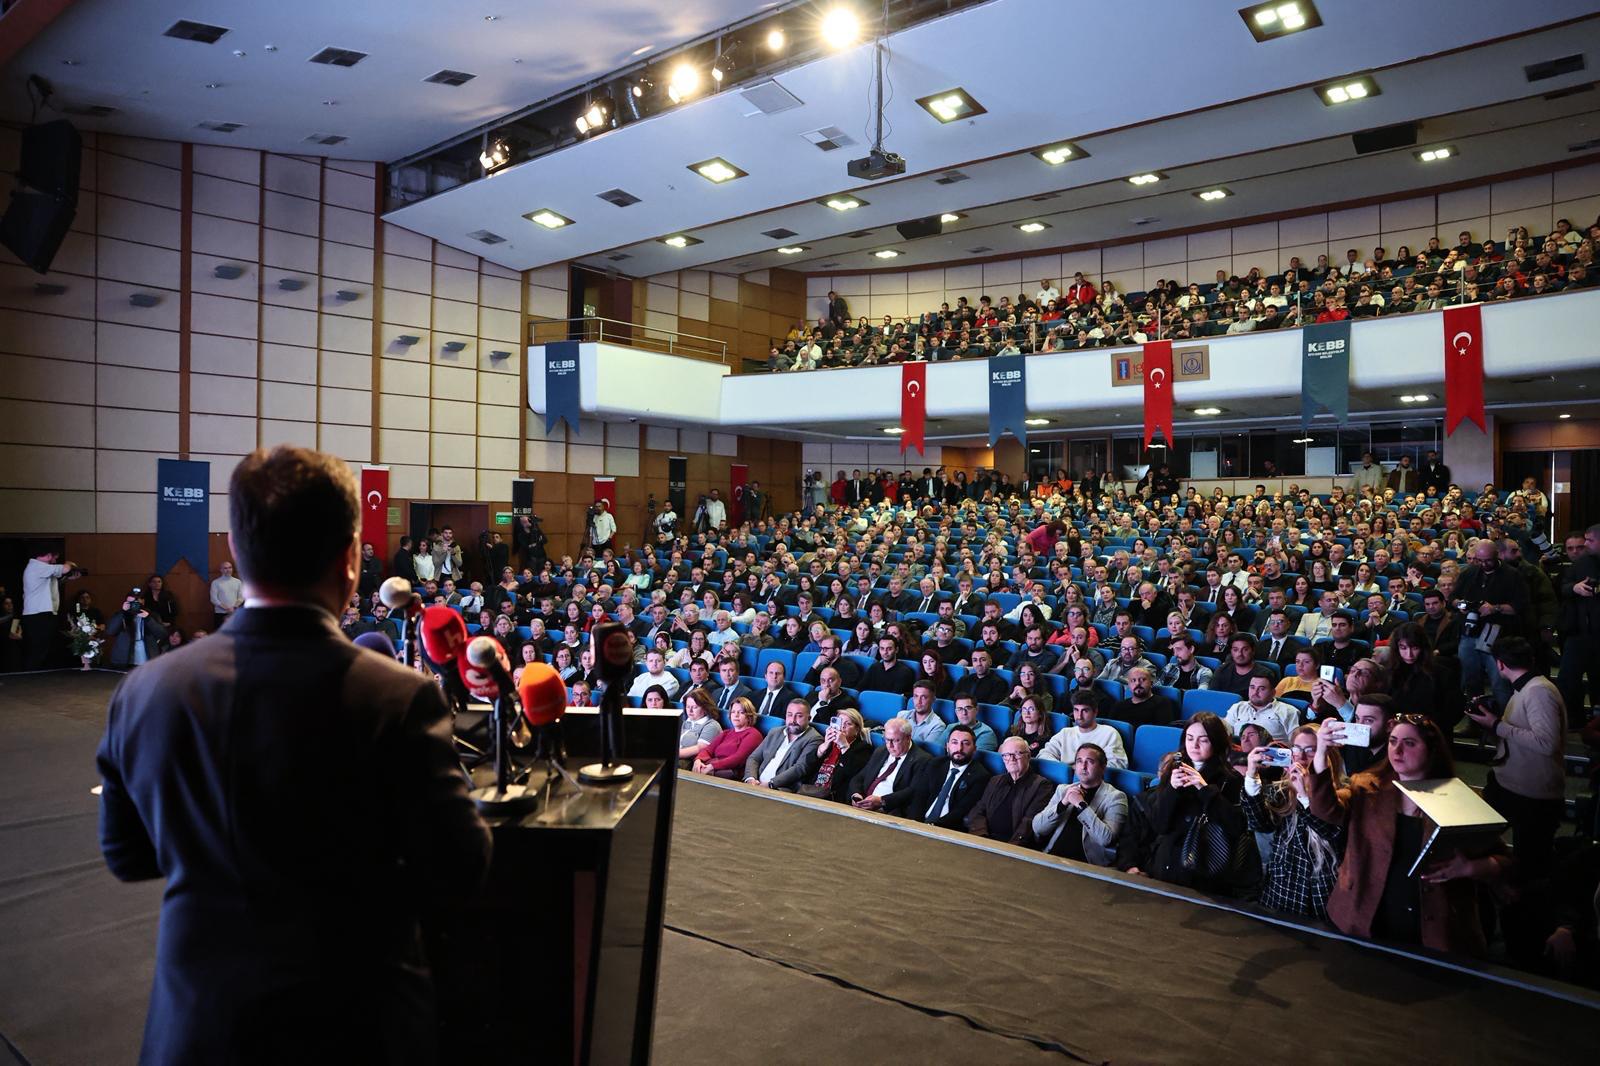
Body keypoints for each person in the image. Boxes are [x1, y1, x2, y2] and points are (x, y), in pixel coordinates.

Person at [95, 445, 492, 1063]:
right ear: (351, 558)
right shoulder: (398, 697)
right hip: (361, 1025)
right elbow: (459, 865)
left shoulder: (146, 691)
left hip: (200, 1027)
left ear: (236, 549)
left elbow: (127, 854)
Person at [1310, 713, 1508, 954]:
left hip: (1433, 928)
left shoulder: (1461, 800)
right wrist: (1321, 752)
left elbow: (1504, 861)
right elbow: (1325, 809)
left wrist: (1470, 868)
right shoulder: (1366, 787)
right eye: (1393, 741)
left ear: (1432, 750)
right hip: (1367, 916)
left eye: (1410, 743)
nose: (1397, 750)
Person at [1465, 636, 1567, 876]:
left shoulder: (1538, 691)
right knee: (1479, 840)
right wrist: (1490, 724)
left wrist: (1497, 724)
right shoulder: (1527, 688)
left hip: (1532, 795)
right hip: (1510, 783)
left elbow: (1547, 743)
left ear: (1500, 664)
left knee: (1531, 864)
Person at [1123, 713, 1255, 897]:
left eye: (1203, 740)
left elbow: (1236, 826)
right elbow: (1159, 824)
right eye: (1190, 738)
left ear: (1216, 742)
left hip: (1206, 866)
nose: (1194, 745)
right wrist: (1171, 790)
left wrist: (1205, 789)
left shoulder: (1230, 779)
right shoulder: (1174, 770)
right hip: (1168, 864)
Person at [1242, 727, 1346, 919]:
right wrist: (1251, 775)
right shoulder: (1281, 790)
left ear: (1327, 756)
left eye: (1311, 750)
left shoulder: (1343, 793)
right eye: (1296, 749)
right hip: (1282, 888)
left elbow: (1333, 834)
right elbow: (1260, 823)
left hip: (1321, 893)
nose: (1301, 757)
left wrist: (1305, 795)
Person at [1031, 743, 1129, 866]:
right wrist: (1062, 804)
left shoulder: (1116, 797)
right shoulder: (1063, 790)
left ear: (1103, 767)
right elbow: (1038, 828)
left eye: (1090, 761)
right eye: (1079, 761)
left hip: (1087, 864)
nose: (1083, 766)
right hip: (1052, 857)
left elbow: (1106, 839)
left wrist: (1081, 805)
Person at [895, 723, 993, 828]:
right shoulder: (935, 764)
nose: (959, 748)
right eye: (954, 742)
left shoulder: (980, 776)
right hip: (919, 823)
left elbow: (961, 811)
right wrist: (914, 823)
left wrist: (933, 827)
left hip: (947, 828)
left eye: (966, 744)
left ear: (974, 749)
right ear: (947, 746)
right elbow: (919, 797)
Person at [965, 736, 1052, 845]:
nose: (1011, 759)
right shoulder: (995, 781)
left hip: (1013, 846)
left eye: (1017, 754)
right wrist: (981, 838)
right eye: (1006, 755)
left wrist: (1009, 848)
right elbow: (978, 810)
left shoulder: (1041, 785)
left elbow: (1029, 823)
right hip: (984, 840)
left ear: (1028, 756)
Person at [1556, 523, 1600, 728]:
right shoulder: (1581, 564)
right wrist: (1575, 587)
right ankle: (1574, 719)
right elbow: (1564, 586)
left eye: (1589, 541)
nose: (1585, 545)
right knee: (1567, 679)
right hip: (1578, 632)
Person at [849, 717, 929, 810]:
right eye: (887, 739)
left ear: (908, 738)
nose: (890, 745)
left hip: (890, 811)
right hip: (862, 805)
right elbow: (860, 777)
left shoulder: (922, 760)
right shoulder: (881, 751)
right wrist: (856, 794)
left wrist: (882, 801)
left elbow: (912, 792)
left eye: (895, 740)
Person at [743, 699, 823, 791]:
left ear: (809, 718)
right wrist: (751, 778)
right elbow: (754, 758)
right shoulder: (775, 732)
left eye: (799, 716)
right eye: (790, 715)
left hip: (781, 789)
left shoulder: (814, 739)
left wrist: (771, 784)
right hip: (756, 784)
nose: (793, 720)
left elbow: (800, 768)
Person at [21, 547, 79, 669]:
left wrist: (67, 578)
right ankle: (31, 675)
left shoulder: (41, 569)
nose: (54, 561)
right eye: (54, 558)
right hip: (38, 614)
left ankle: (37, 673)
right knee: (38, 649)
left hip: (40, 613)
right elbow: (66, 568)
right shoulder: (37, 566)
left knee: (43, 648)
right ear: (48, 555)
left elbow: (49, 585)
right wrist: (70, 564)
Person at [1041, 689, 1129, 769]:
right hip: (1064, 779)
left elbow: (1118, 765)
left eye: (1085, 711)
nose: (1079, 716)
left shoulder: (1109, 733)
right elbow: (1044, 755)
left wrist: (1081, 769)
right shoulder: (1065, 733)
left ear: (1095, 712)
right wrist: (1066, 769)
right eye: (1076, 710)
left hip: (1095, 779)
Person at [799, 708, 872, 803]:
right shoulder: (829, 742)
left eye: (848, 724)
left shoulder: (863, 748)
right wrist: (824, 746)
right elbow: (807, 765)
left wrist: (844, 746)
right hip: (811, 790)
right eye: (840, 722)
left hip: (834, 797)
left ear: (857, 730)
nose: (843, 726)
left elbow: (853, 773)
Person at [691, 698, 763, 779]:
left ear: (749, 716)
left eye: (741, 712)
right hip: (712, 766)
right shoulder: (726, 733)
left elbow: (738, 759)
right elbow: (708, 750)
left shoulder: (753, 734)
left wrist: (712, 766)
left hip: (731, 772)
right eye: (733, 712)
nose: (736, 715)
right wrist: (698, 760)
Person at [1222, 674, 1302, 744]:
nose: (1255, 692)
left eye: (1261, 689)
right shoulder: (1237, 707)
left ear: (1273, 692)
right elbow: (1225, 733)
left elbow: (1295, 743)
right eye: (1252, 687)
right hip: (1236, 752)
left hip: (1269, 754)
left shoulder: (1288, 711)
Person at [105, 589, 170, 669]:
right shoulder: (121, 615)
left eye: (136, 603)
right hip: (124, 657)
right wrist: (122, 613)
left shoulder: (152, 615)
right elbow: (110, 631)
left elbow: (162, 634)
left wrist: (148, 619)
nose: (133, 605)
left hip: (146, 654)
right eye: (130, 603)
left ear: (143, 602)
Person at [677, 688, 723, 767]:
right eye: (688, 707)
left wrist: (673, 754)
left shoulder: (712, 725)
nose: (690, 711)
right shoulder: (685, 721)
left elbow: (700, 748)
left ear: (705, 707)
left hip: (689, 761)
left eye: (695, 707)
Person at [209, 560, 244, 631]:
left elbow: (241, 598)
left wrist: (234, 607)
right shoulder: (215, 582)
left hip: (234, 613)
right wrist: (226, 608)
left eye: (230, 567)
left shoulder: (238, 582)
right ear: (221, 570)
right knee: (220, 635)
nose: (228, 570)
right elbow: (214, 599)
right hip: (220, 613)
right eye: (225, 568)